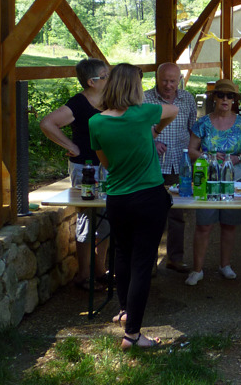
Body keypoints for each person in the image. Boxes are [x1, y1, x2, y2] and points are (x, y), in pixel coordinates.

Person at [89, 63, 178, 349]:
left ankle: (125, 310)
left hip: (118, 199)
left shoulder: (96, 122)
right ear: (135, 88)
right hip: (149, 198)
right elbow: (173, 111)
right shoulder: (144, 113)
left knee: (122, 256)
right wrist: (154, 131)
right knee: (142, 263)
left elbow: (106, 162)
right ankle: (132, 334)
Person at [39, 58, 111, 291]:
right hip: (86, 169)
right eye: (105, 75)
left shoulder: (111, 101)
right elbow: (48, 123)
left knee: (106, 220)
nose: (110, 78)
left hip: (108, 167)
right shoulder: (78, 104)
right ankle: (84, 275)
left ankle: (100, 272)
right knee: (87, 219)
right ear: (91, 82)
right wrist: (73, 147)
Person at [185, 79, 241, 287]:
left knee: (229, 225)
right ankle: (197, 269)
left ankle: (225, 265)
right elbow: (191, 151)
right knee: (204, 225)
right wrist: (208, 158)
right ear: (214, 97)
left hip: (236, 177)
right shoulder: (203, 123)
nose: (225, 99)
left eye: (230, 96)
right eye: (221, 95)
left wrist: (237, 158)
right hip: (207, 178)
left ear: (235, 100)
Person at [143, 62, 197, 274]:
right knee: (151, 214)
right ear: (157, 79)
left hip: (180, 163)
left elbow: (193, 129)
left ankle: (175, 258)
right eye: (164, 80)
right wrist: (151, 142)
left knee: (178, 214)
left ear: (180, 79)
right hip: (152, 163)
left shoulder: (187, 99)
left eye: (172, 81)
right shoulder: (145, 98)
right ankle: (150, 262)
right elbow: (136, 128)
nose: (168, 85)